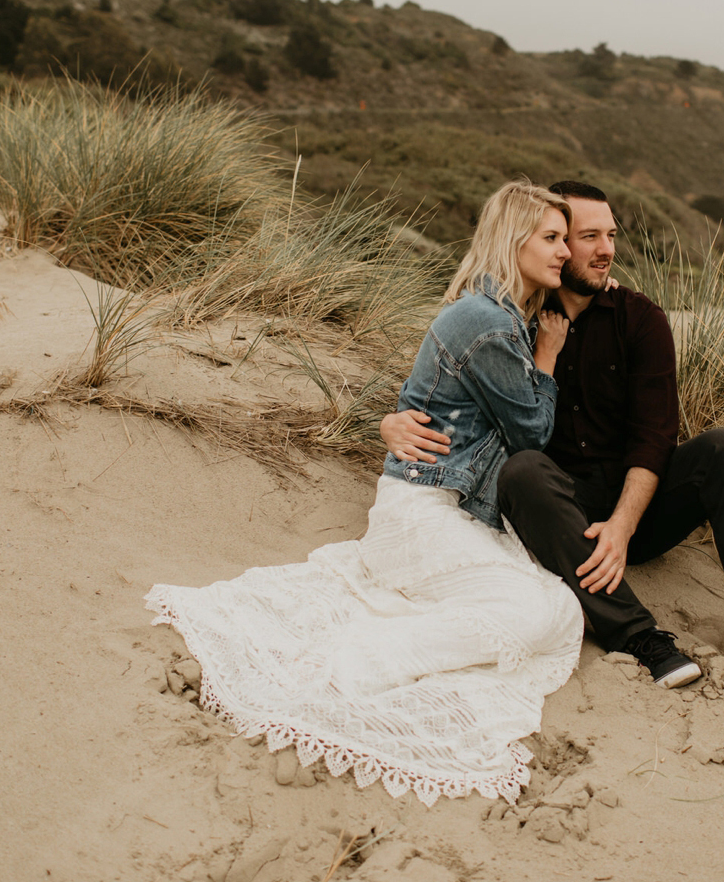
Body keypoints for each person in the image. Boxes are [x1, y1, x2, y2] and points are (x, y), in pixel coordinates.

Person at [146, 185, 586, 806]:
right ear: (512, 238)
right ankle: (365, 663)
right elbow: (531, 434)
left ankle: (397, 631)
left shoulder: (498, 314)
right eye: (551, 237)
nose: (565, 251)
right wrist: (547, 357)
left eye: (569, 239)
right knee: (535, 614)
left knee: (555, 610)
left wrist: (394, 417)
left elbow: (422, 399)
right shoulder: (489, 323)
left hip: (446, 508)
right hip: (423, 510)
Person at [381, 180, 724, 721]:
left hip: (634, 517)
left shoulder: (642, 319)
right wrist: (390, 423)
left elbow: (655, 437)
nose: (603, 249)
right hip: (559, 520)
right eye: (583, 236)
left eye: (609, 234)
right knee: (524, 470)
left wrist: (624, 527)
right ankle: (638, 637)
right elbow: (443, 386)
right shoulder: (517, 317)